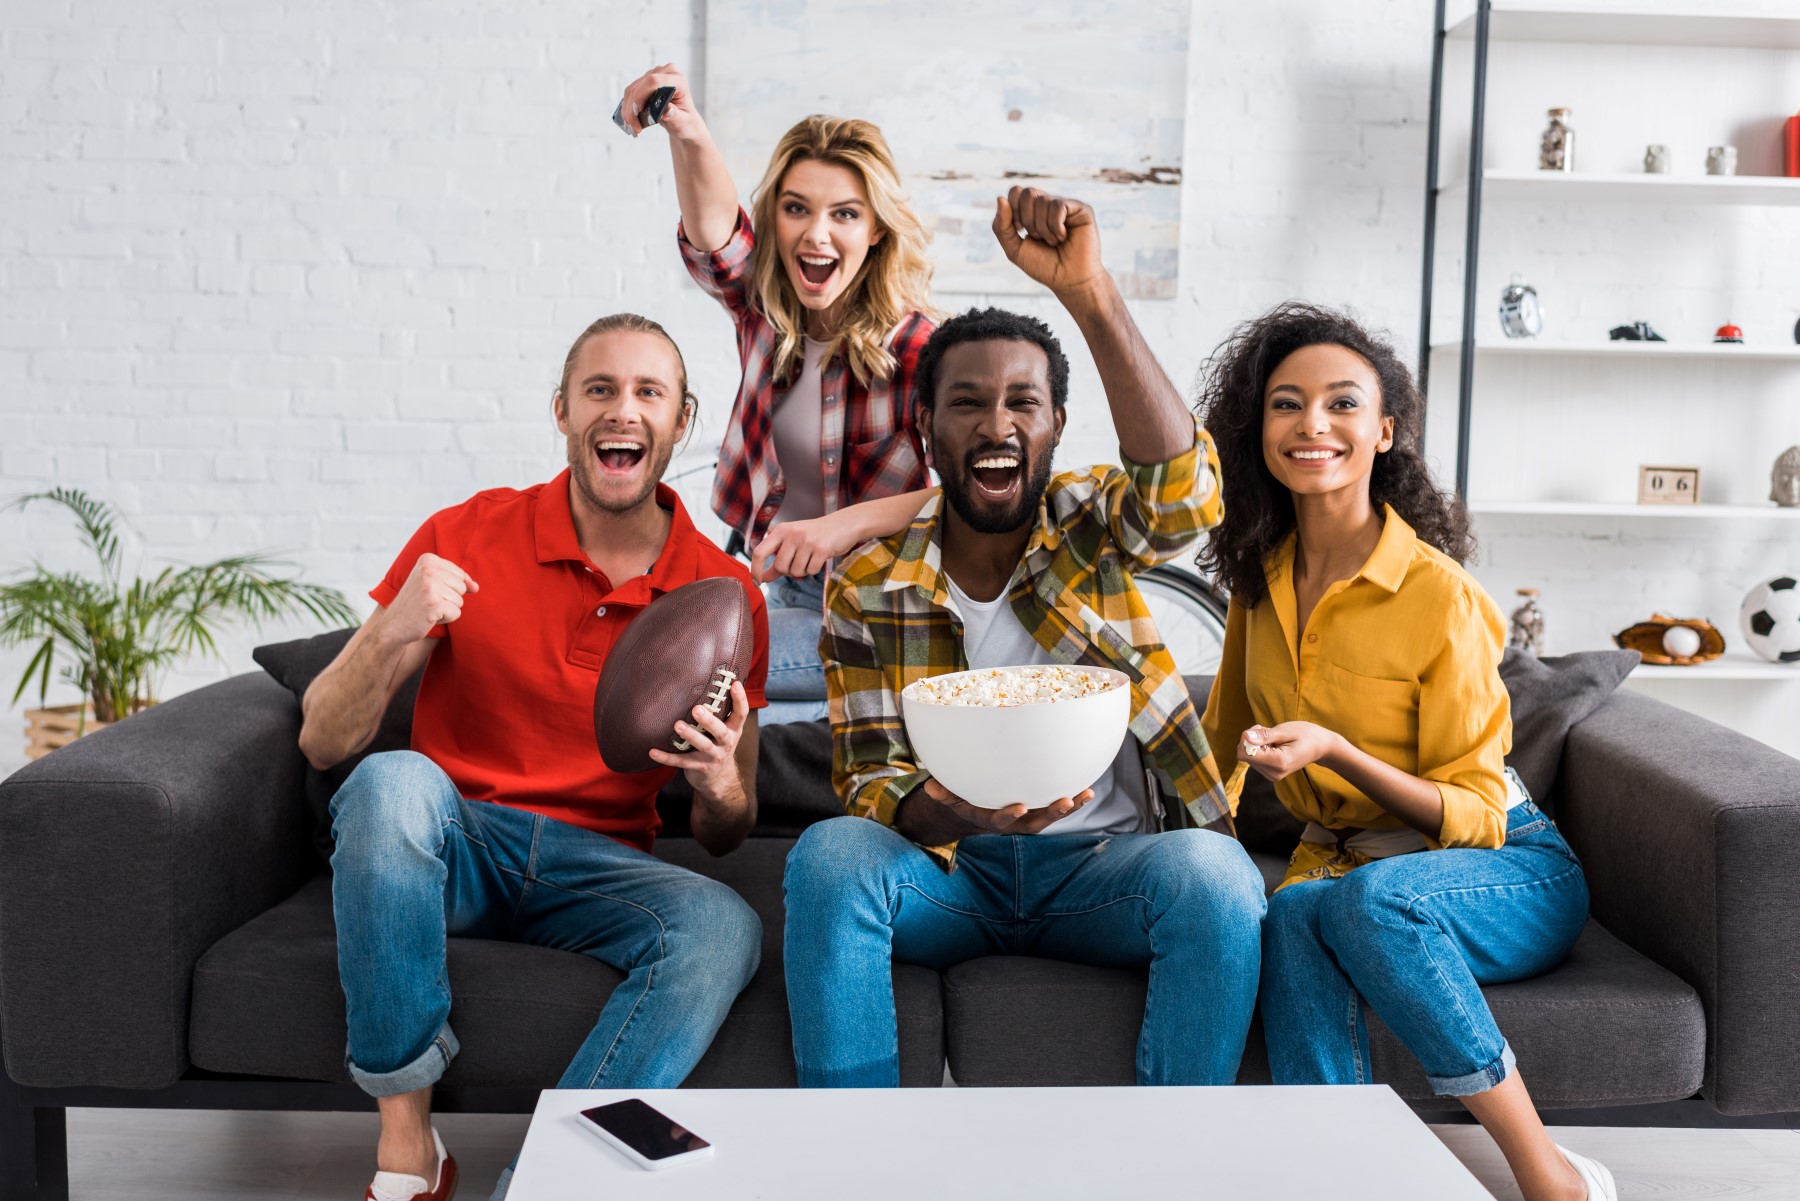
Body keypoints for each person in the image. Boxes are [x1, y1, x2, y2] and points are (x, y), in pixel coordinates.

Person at [781, 187, 1268, 1089]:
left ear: (1054, 428)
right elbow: (870, 783)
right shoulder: (867, 583)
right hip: (950, 878)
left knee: (1219, 877)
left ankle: (1181, 1164)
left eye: (1021, 403)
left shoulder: (1089, 523)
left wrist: (1090, 295)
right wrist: (957, 809)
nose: (996, 424)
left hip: (1105, 872)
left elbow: (1185, 500)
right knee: (829, 856)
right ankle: (849, 1160)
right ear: (927, 428)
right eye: (966, 403)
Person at [298, 313, 770, 1201]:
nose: (621, 410)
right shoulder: (467, 533)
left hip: (598, 870)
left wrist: (720, 780)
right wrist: (398, 620)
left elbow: (724, 835)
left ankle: (550, 1181)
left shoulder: (724, 594)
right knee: (387, 781)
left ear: (681, 421)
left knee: (724, 926)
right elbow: (323, 737)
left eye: (647, 393)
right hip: (456, 842)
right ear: (562, 411)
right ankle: (409, 1157)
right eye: (599, 389)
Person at [1196, 303, 1613, 1201]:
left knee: (1368, 902)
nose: (1313, 423)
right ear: (1256, 428)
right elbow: (1222, 743)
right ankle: (1346, 1180)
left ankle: (1550, 1175)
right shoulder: (1257, 584)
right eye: (1286, 404)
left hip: (1505, 867)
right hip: (1346, 867)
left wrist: (1337, 752)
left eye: (1343, 403)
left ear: (1384, 430)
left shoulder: (1440, 595)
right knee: (1299, 914)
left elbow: (1476, 811)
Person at [619, 65, 939, 722]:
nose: (816, 234)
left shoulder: (920, 350)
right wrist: (686, 128)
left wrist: (836, 530)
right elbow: (715, 235)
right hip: (779, 582)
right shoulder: (765, 308)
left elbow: (967, 497)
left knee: (693, 677)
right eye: (797, 209)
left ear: (876, 229)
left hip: (873, 608)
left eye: (844, 214)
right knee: (736, 713)